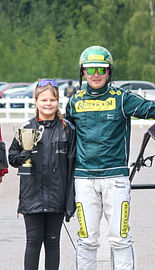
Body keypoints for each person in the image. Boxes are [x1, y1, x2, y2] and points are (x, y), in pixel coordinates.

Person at [65, 45, 155, 270]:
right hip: (84, 181)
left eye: (101, 69)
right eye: (90, 69)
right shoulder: (73, 103)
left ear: (109, 72)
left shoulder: (122, 99)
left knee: (120, 239)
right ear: (82, 72)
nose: (96, 75)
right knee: (86, 239)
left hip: (116, 180)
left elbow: (154, 109)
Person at [8, 79, 76, 270]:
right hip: (32, 197)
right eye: (44, 100)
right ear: (36, 101)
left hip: (57, 197)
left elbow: (73, 163)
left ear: (57, 101)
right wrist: (24, 155)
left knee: (53, 243)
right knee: (33, 241)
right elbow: (12, 158)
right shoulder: (26, 128)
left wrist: (70, 198)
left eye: (52, 100)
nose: (48, 104)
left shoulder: (67, 129)